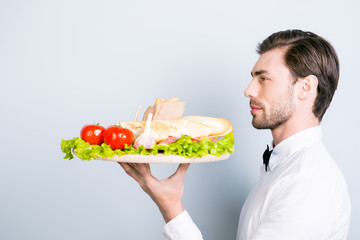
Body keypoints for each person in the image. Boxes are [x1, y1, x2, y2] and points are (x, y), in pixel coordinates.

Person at [119, 29, 351, 240]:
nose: (248, 90)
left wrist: (171, 208)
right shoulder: (283, 167)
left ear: (305, 88)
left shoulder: (307, 185)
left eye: (263, 78)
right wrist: (170, 205)